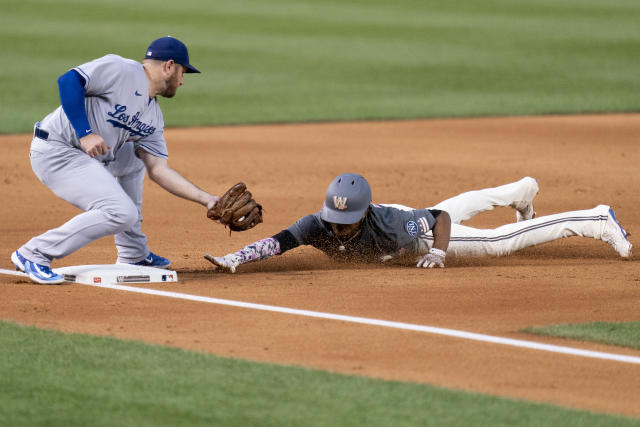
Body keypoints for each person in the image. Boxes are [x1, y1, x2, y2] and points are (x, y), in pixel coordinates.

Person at [11, 36, 225, 284]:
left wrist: (208, 200)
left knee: (134, 158)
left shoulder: (153, 117)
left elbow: (159, 169)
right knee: (121, 213)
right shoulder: (122, 69)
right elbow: (69, 80)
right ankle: (34, 253)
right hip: (57, 150)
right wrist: (85, 133)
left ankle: (133, 253)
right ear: (169, 66)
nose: (182, 81)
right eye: (182, 72)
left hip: (87, 157)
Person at [206, 173, 632, 272]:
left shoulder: (390, 224)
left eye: (347, 221)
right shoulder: (317, 223)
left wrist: (438, 250)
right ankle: (522, 190)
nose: (338, 229)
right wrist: (234, 258)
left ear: (364, 214)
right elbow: (278, 242)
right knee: (458, 202)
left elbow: (441, 218)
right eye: (335, 221)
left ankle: (593, 219)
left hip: (425, 234)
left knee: (498, 241)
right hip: (410, 220)